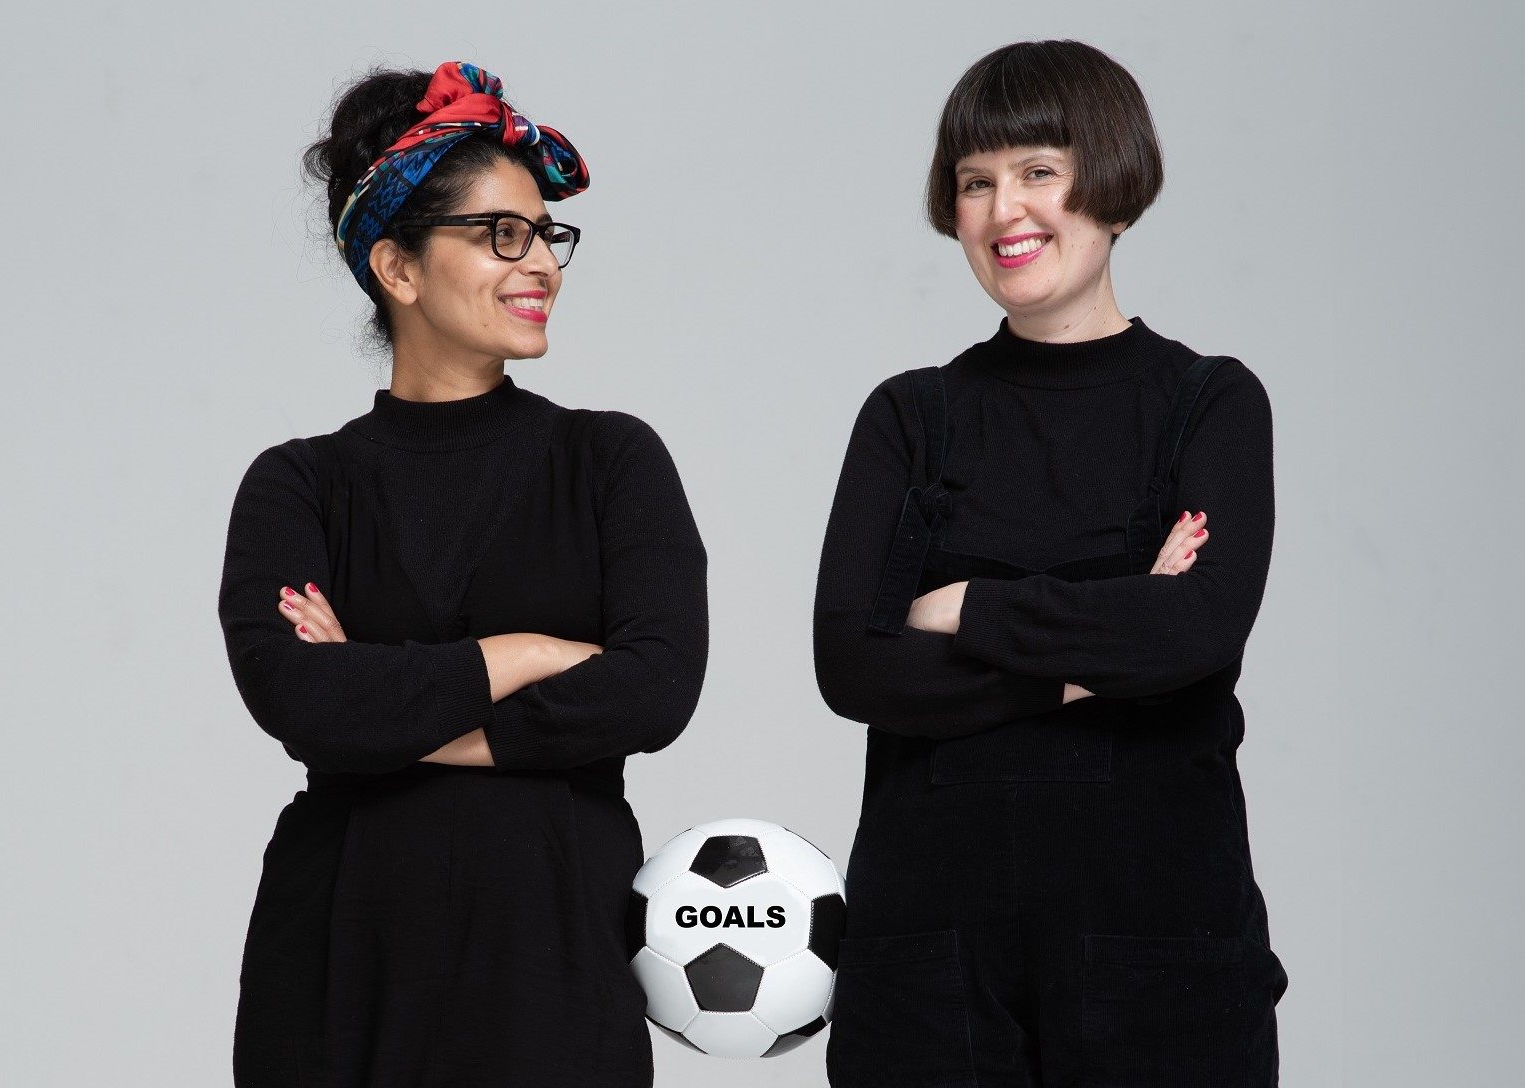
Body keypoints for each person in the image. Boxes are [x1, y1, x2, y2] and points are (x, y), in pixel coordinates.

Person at [217, 61, 709, 1088]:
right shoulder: (298, 484)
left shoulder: (610, 459)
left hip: (555, 952)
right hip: (342, 960)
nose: (540, 265)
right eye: (500, 233)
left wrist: (390, 713)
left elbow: (656, 685)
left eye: (544, 233)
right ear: (397, 269)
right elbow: (300, 699)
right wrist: (527, 652)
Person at [813, 40, 1289, 1087]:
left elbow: (1198, 628)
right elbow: (853, 664)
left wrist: (967, 603)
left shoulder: (1206, 402)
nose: (1001, 211)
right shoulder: (910, 417)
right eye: (974, 182)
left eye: (1037, 171)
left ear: (1112, 184)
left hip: (1160, 949)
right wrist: (1094, 651)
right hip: (927, 965)